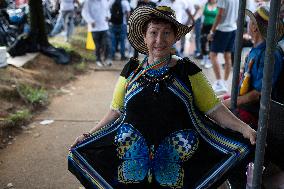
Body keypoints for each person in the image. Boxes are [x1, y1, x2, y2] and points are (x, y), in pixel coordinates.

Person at [69, 6, 256, 189]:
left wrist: (244, 128)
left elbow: (213, 108)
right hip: (135, 157)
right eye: (154, 32)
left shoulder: (187, 70)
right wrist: (89, 135)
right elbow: (115, 111)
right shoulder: (131, 70)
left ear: (175, 37)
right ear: (144, 35)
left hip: (177, 160)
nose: (160, 39)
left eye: (167, 33)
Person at [222, 6, 284, 188]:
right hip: (251, 104)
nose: (247, 25)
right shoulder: (258, 50)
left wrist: (227, 103)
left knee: (218, 115)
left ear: (255, 27)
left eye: (250, 22)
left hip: (259, 111)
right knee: (217, 100)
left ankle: (233, 167)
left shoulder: (268, 54)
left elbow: (258, 94)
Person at [208, 0, 239, 94]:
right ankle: (224, 83)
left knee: (213, 55)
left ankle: (219, 82)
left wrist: (212, 31)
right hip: (233, 28)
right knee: (227, 55)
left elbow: (220, 14)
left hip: (222, 29)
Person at [81, 0, 112, 67]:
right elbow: (84, 13)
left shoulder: (104, 1)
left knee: (106, 43)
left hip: (104, 27)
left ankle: (107, 59)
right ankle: (98, 60)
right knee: (98, 46)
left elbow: (107, 10)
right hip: (94, 28)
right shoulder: (88, 2)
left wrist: (108, 16)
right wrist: (90, 21)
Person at [200, 0, 218, 69]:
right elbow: (201, 15)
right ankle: (204, 57)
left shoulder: (218, 6)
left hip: (213, 27)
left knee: (211, 43)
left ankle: (209, 60)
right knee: (203, 42)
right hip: (205, 26)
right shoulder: (205, 5)